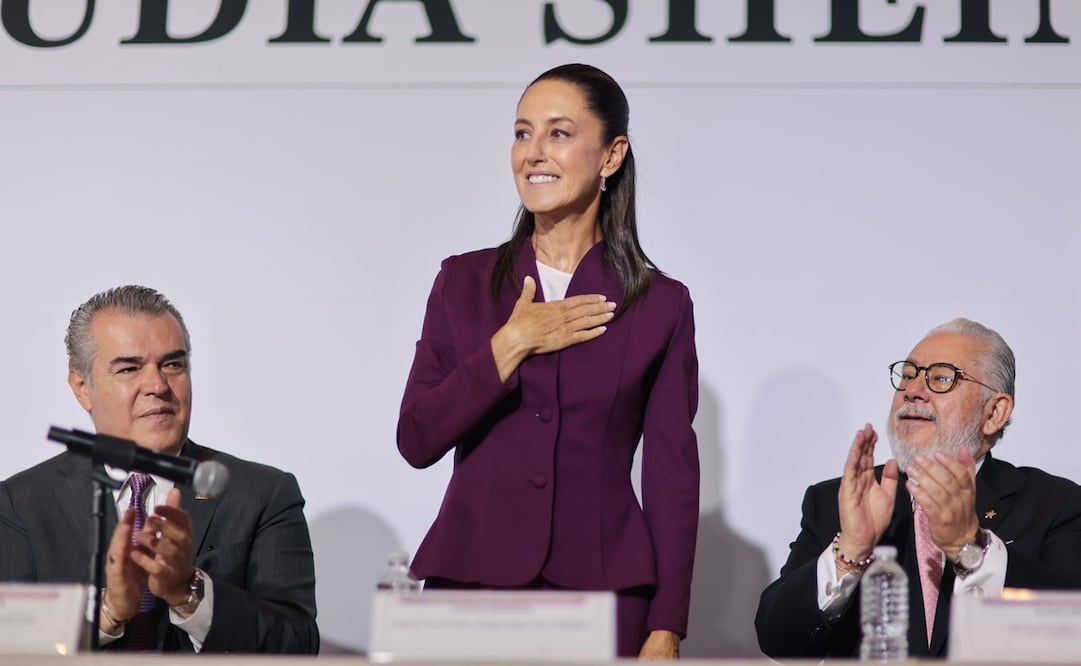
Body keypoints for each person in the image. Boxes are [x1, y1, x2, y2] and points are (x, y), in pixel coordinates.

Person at [397, 63, 700, 659]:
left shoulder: (660, 304)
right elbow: (416, 438)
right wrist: (509, 345)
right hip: (470, 586)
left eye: (558, 133)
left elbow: (672, 477)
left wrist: (667, 624)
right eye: (522, 133)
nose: (533, 152)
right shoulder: (462, 281)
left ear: (611, 155)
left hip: (604, 593)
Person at [0, 285, 318, 653]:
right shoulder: (21, 504)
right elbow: (9, 643)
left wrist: (189, 593)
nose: (157, 385)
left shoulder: (262, 494)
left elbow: (299, 643)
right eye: (129, 368)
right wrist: (108, 613)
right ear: (82, 386)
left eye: (173, 365)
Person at [755, 317, 1081, 659]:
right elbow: (778, 640)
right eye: (908, 375)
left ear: (994, 413)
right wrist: (850, 552)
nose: (912, 390)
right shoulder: (841, 501)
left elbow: (1070, 630)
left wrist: (972, 549)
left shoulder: (1053, 504)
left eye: (941, 378)